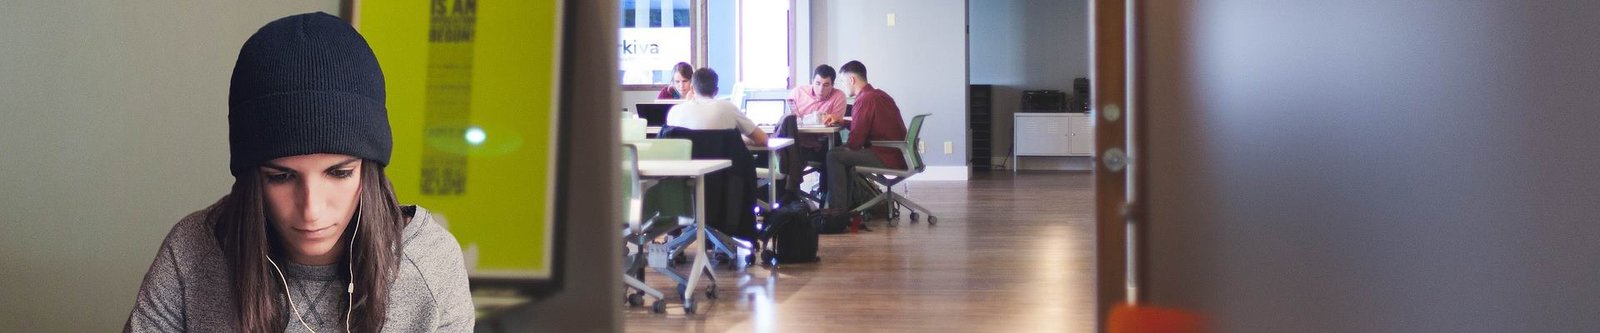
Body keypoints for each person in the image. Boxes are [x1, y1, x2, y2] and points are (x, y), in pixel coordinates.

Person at [125, 13, 473, 332]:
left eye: (339, 173)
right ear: (252, 180)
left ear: (369, 170)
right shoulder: (192, 253)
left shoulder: (430, 264)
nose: (312, 210)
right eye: (281, 177)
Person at [825, 60, 907, 210]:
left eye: (843, 81)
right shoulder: (878, 95)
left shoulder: (864, 100)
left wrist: (844, 146)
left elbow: (855, 143)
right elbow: (867, 128)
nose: (843, 86)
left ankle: (837, 211)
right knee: (840, 153)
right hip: (896, 153)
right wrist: (843, 122)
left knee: (833, 156)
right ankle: (846, 205)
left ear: (851, 80)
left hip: (885, 156)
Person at [665, 67, 769, 146]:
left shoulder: (674, 112)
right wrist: (740, 139)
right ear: (716, 91)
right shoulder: (728, 108)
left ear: (692, 89)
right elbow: (762, 139)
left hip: (686, 172)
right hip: (723, 173)